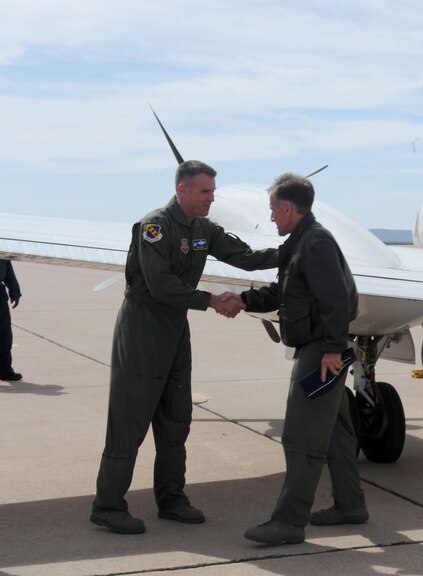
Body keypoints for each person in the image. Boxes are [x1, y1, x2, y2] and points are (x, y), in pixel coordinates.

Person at [90, 160, 278, 535]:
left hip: (176, 332)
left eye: (212, 191)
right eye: (205, 191)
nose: (212, 198)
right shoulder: (155, 227)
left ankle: (172, 499)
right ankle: (108, 506)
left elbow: (247, 258)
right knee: (130, 422)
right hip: (143, 331)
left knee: (176, 420)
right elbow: (159, 285)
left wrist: (294, 251)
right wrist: (212, 300)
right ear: (183, 190)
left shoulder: (203, 229)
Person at [236, 173, 366, 546]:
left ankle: (289, 521)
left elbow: (337, 300)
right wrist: (243, 300)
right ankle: (350, 505)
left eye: (274, 209)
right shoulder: (301, 242)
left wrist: (330, 350)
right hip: (324, 349)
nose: (271, 216)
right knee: (338, 433)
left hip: (321, 354)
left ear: (288, 208)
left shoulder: (316, 243)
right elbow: (284, 293)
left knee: (301, 436)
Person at [1, 259, 22, 382]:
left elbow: (9, 274)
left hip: (0, 299)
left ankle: (4, 371)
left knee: (4, 337)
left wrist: (15, 292)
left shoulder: (3, 252)